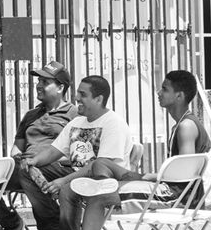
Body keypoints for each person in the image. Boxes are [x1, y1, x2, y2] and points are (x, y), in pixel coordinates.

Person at [21, 75, 133, 230]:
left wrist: (63, 180)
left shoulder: (113, 123)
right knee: (25, 171)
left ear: (98, 99)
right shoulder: (78, 121)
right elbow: (55, 151)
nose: (76, 97)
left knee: (68, 188)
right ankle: (56, 229)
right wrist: (34, 161)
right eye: (78, 93)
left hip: (105, 182)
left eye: (83, 94)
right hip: (77, 175)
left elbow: (99, 166)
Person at [71, 70, 210, 210]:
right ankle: (102, 185)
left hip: (177, 197)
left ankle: (98, 191)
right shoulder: (183, 124)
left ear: (179, 96)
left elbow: (185, 174)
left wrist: (151, 176)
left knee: (102, 194)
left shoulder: (187, 126)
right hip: (170, 189)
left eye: (165, 89)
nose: (159, 92)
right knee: (101, 163)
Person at [0, 60, 77, 230]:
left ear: (60, 87)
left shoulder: (74, 114)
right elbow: (17, 147)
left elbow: (76, 151)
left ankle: (51, 226)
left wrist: (36, 161)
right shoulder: (31, 115)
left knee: (28, 171)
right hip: (25, 166)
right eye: (38, 81)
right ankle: (11, 223)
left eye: (45, 82)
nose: (38, 85)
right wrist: (16, 158)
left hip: (56, 167)